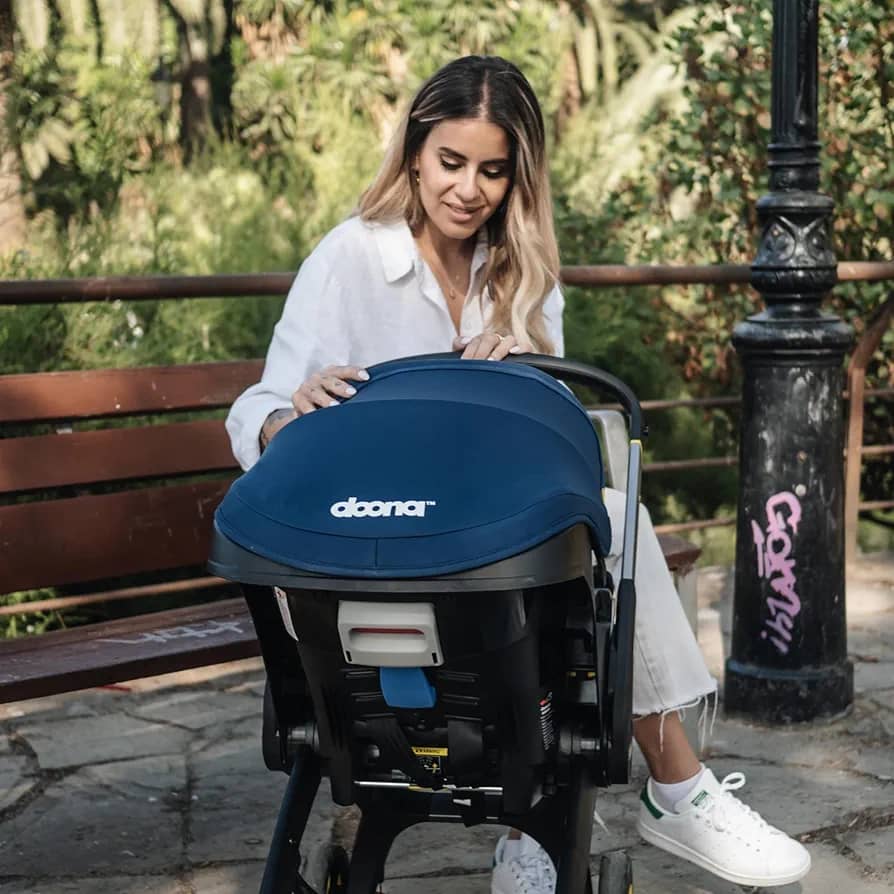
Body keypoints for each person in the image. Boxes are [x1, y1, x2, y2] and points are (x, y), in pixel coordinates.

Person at [226, 55, 811, 894]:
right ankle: (653, 794)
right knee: (579, 550)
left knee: (613, 514)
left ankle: (635, 802)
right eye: (450, 162)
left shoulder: (522, 273)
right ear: (414, 155)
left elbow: (548, 445)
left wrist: (525, 374)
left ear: (516, 178)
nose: (468, 189)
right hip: (366, 541)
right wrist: (291, 414)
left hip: (484, 540)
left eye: (492, 171)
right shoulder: (350, 256)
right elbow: (258, 407)